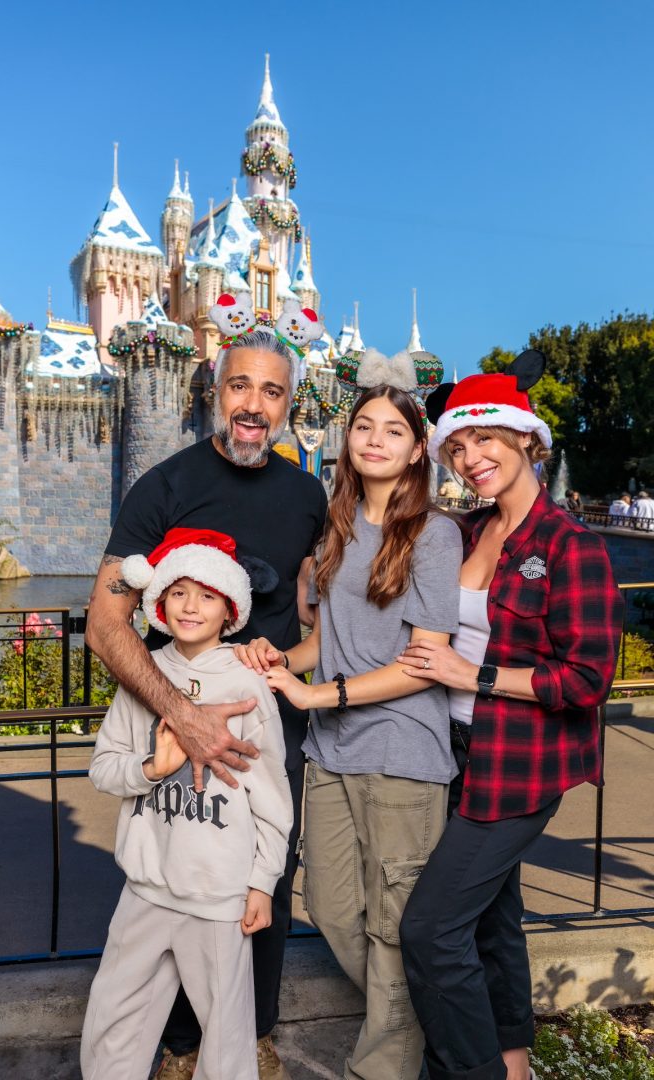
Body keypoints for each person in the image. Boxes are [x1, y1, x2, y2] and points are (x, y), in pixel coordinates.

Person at [85, 295, 328, 1080]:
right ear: (213, 391)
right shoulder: (165, 487)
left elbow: (318, 603)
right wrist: (180, 715)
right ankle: (181, 1047)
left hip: (263, 726)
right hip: (171, 718)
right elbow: (105, 623)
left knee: (264, 880)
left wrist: (295, 664)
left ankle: (250, 1036)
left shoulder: (307, 496)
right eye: (239, 387)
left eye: (272, 392)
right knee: (172, 880)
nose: (254, 406)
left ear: (289, 405)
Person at [396, 351, 623, 1080]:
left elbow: (588, 678)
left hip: (520, 766)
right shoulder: (465, 531)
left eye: (485, 439)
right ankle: (515, 1061)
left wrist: (477, 674)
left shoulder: (571, 546)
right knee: (492, 919)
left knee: (430, 931)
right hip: (452, 748)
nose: (471, 458)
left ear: (527, 439)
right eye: (457, 448)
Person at [236, 349, 462, 1080]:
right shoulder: (338, 525)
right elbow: (327, 640)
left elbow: (423, 659)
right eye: (363, 426)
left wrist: (319, 696)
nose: (373, 440)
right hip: (332, 754)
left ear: (416, 447)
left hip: (402, 753)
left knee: (395, 929)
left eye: (392, 431)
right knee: (334, 907)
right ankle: (439, 1021)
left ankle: (386, 1065)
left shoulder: (433, 534)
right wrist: (279, 663)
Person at [81, 528, 293, 1080]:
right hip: (146, 888)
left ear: (230, 609)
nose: (190, 606)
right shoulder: (143, 680)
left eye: (206, 595)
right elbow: (103, 769)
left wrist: (262, 883)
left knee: (226, 1036)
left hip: (219, 895)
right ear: (158, 604)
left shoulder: (248, 686)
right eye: (178, 592)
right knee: (113, 1021)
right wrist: (151, 768)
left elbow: (273, 799)